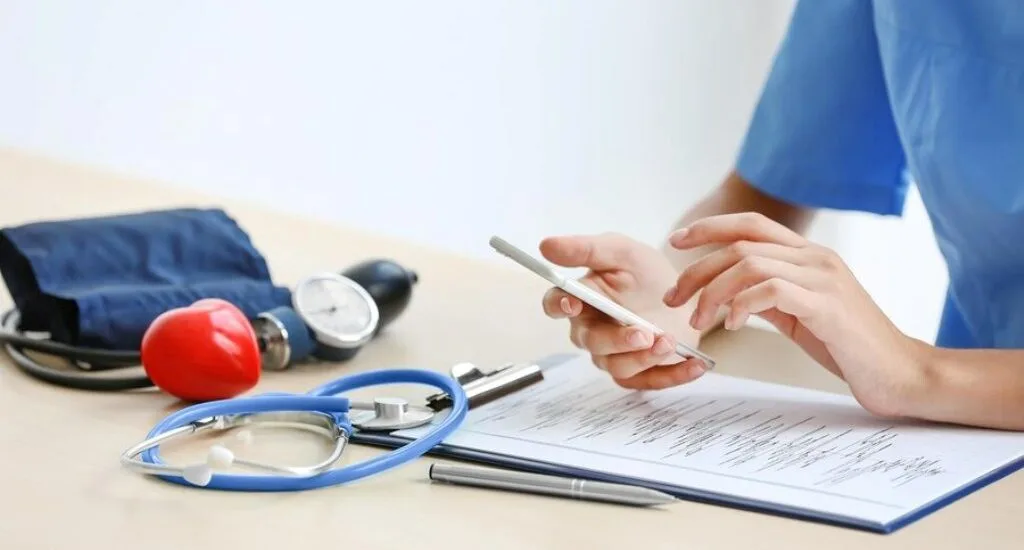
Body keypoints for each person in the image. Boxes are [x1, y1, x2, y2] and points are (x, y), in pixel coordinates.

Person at [538, 1, 1024, 431]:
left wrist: (917, 373)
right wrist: (676, 301)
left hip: (953, 401)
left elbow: (914, 375)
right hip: (963, 430)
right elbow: (767, 193)